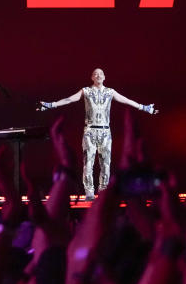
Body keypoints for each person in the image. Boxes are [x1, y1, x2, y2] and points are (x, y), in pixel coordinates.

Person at [37, 68, 159, 200]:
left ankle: (103, 192)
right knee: (88, 163)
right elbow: (70, 99)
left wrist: (144, 107)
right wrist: (52, 104)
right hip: (90, 131)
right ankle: (89, 192)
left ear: (104, 77)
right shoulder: (86, 91)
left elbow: (126, 100)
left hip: (105, 131)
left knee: (105, 164)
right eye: (96, 74)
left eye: (100, 74)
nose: (98, 75)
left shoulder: (110, 92)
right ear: (92, 77)